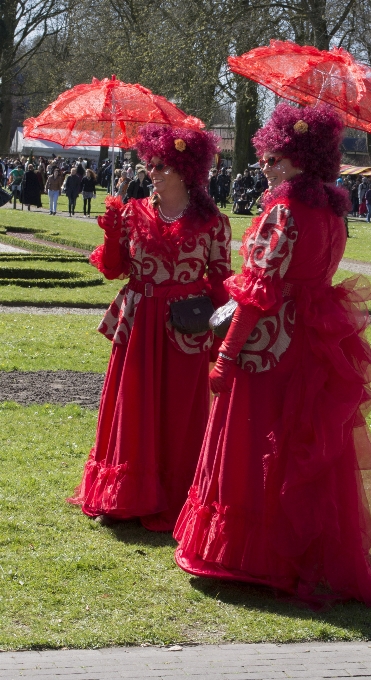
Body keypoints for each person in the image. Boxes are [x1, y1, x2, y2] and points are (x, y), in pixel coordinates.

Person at [174, 103, 371, 608]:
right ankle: (298, 548)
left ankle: (251, 553)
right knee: (298, 443)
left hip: (269, 345)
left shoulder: (284, 211)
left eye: (276, 158)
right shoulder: (332, 211)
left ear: (302, 159)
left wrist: (226, 355)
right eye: (267, 156)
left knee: (256, 437)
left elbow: (259, 292)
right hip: (311, 340)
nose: (267, 165)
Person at [68, 124, 231, 531]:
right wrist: (110, 233)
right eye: (151, 164)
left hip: (186, 328)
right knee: (133, 405)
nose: (153, 171)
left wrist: (216, 333)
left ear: (186, 170)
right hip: (139, 324)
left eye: (163, 166)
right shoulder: (131, 212)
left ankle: (177, 496)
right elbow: (113, 269)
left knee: (180, 409)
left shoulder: (214, 223)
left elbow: (221, 281)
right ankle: (128, 494)